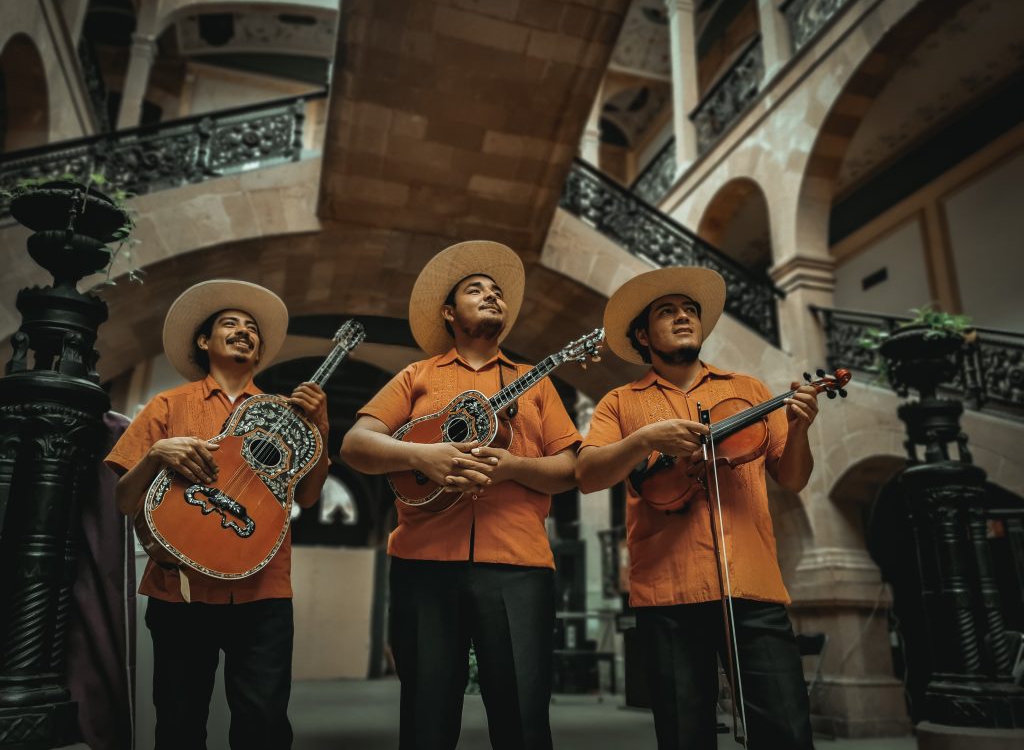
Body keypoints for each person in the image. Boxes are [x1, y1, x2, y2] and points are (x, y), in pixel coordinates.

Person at [341, 240, 580, 750]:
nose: (492, 296)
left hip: (518, 564)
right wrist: (421, 457)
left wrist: (514, 467)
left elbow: (570, 468)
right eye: (477, 289)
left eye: (497, 292)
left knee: (523, 717)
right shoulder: (417, 375)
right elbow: (356, 444)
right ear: (450, 312)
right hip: (424, 560)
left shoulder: (534, 384)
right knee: (426, 714)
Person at [575, 266, 819, 750]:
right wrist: (645, 440)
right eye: (667, 312)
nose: (684, 317)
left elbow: (792, 477)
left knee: (787, 732)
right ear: (643, 335)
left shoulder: (747, 390)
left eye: (690, 310)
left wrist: (801, 428)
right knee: (685, 736)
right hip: (668, 592)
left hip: (752, 584)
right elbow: (588, 474)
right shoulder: (619, 403)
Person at [105, 279, 329, 750]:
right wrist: (156, 455)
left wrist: (321, 426)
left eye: (252, 328)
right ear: (204, 342)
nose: (244, 330)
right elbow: (124, 501)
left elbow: (307, 497)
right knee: (179, 723)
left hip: (263, 588)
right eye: (231, 323)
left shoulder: (282, 414)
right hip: (179, 589)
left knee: (264, 725)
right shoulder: (167, 406)